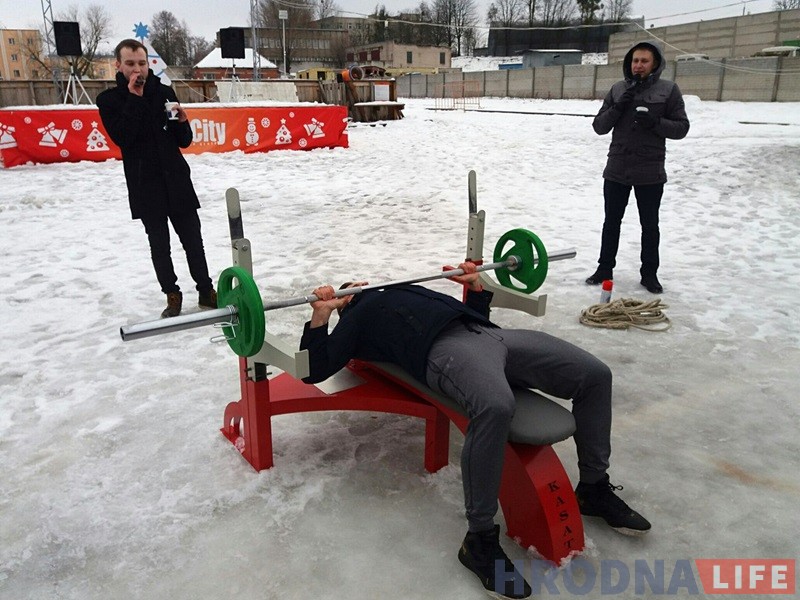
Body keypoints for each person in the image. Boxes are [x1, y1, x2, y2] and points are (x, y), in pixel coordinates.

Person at [300, 263, 650, 599]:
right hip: (447, 353)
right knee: (495, 406)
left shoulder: (402, 290)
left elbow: (478, 318)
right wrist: (321, 316)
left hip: (493, 337)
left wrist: (476, 291)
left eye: (357, 283)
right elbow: (315, 369)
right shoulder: (358, 318)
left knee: (595, 375)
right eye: (348, 291)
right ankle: (479, 540)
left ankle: (593, 487)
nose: (357, 287)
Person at [97, 38, 216, 318]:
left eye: (142, 63)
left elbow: (183, 141)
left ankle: (205, 290)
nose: (137, 69)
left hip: (176, 180)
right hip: (145, 184)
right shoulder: (110, 100)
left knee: (193, 241)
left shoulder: (164, 92)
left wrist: (184, 123)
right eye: (130, 64)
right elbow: (123, 137)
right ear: (118, 65)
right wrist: (135, 99)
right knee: (160, 246)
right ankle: (172, 295)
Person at [586, 41, 690, 294]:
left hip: (650, 171)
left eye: (644, 61)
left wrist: (655, 122)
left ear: (655, 64)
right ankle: (604, 268)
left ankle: (649, 274)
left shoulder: (668, 90)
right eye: (635, 61)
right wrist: (619, 106)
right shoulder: (618, 89)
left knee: (649, 225)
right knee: (611, 222)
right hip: (617, 168)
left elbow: (682, 128)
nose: (638, 65)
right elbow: (599, 126)